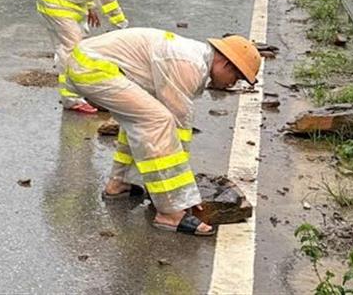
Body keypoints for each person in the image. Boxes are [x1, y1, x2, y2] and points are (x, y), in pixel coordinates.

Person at [65, 27, 261, 236]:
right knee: (158, 122)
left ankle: (119, 183)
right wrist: (182, 196)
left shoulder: (193, 59)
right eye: (236, 76)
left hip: (88, 62)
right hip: (93, 68)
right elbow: (177, 129)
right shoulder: (189, 66)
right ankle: (169, 213)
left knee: (142, 119)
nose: (233, 83)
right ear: (225, 63)